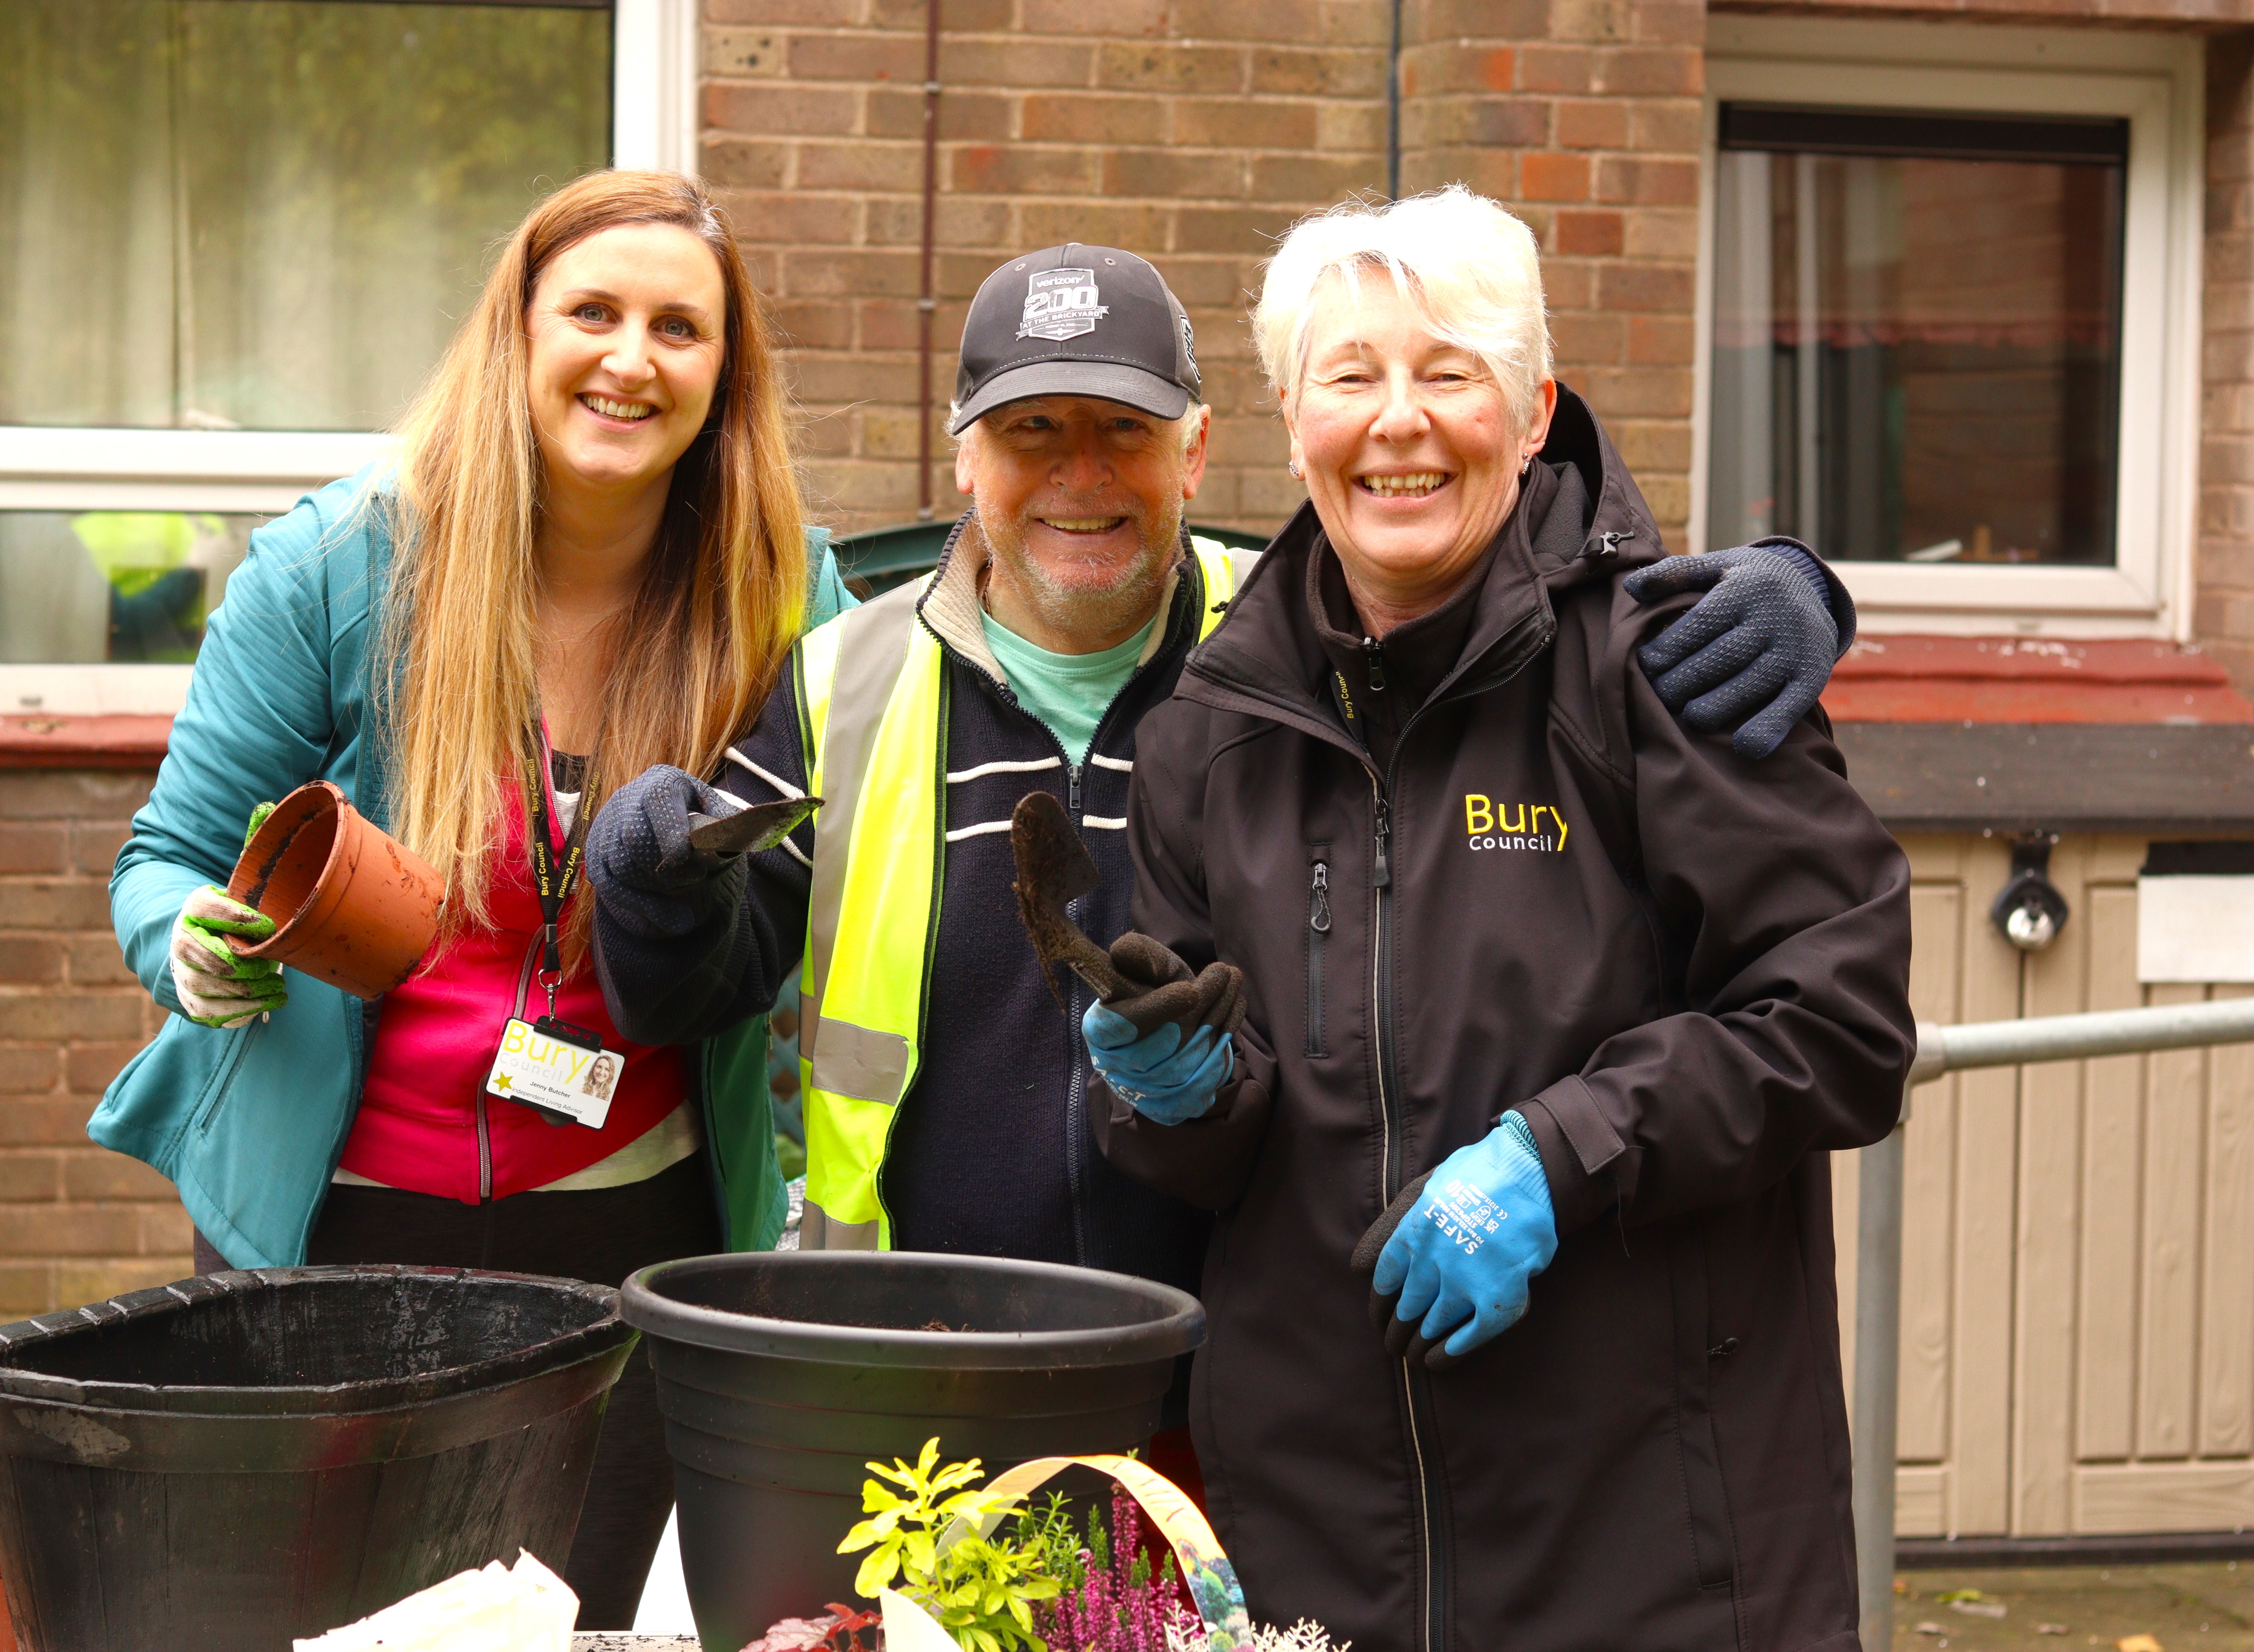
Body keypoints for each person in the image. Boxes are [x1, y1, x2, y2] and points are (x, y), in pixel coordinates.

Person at [584, 242, 1855, 1488]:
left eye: (1123, 431)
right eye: (1033, 432)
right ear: (964, 454)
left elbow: (1511, 601)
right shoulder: (842, 682)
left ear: (1196, 449)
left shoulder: (1302, 644)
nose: (1082, 476)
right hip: (920, 1381)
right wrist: (652, 888)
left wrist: (1782, 586)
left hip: (1250, 1397)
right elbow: (702, 987)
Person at [1084, 187, 1916, 1651]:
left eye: (1449, 371)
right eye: (1351, 376)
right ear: (1292, 416)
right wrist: (1175, 1094)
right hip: (1317, 1557)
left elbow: (1840, 1021)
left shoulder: (1675, 671)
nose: (1397, 421)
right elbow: (1216, 1162)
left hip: (1652, 1547)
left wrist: (1563, 1150)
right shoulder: (1208, 734)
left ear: (1534, 411)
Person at [88, 170, 851, 1627]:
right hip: (342, 1230)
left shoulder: (779, 594)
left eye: (679, 330)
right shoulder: (341, 566)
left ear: (723, 378)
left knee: (596, 1616)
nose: (631, 358)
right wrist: (190, 947)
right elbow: (162, 860)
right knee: (328, 1620)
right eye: (595, 312)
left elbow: (813, 909)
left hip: (641, 1229)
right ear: (517, 332)